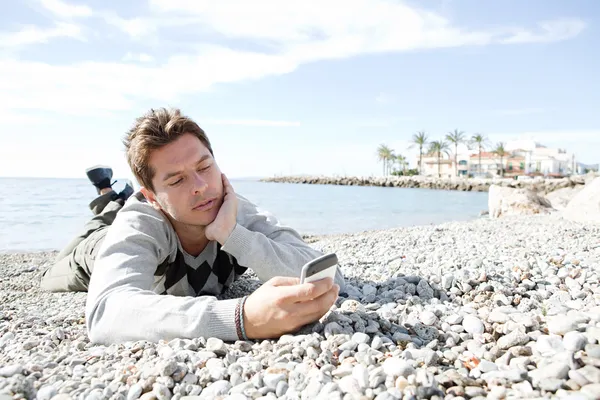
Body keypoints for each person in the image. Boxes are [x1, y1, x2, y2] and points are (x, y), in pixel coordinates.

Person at [40, 107, 345, 345]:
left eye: (204, 167)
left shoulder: (231, 206)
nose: (201, 186)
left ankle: (112, 195)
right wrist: (242, 318)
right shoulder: (141, 222)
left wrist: (233, 235)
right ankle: (107, 195)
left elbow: (328, 274)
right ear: (151, 197)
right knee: (51, 274)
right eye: (177, 180)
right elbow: (105, 314)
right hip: (96, 249)